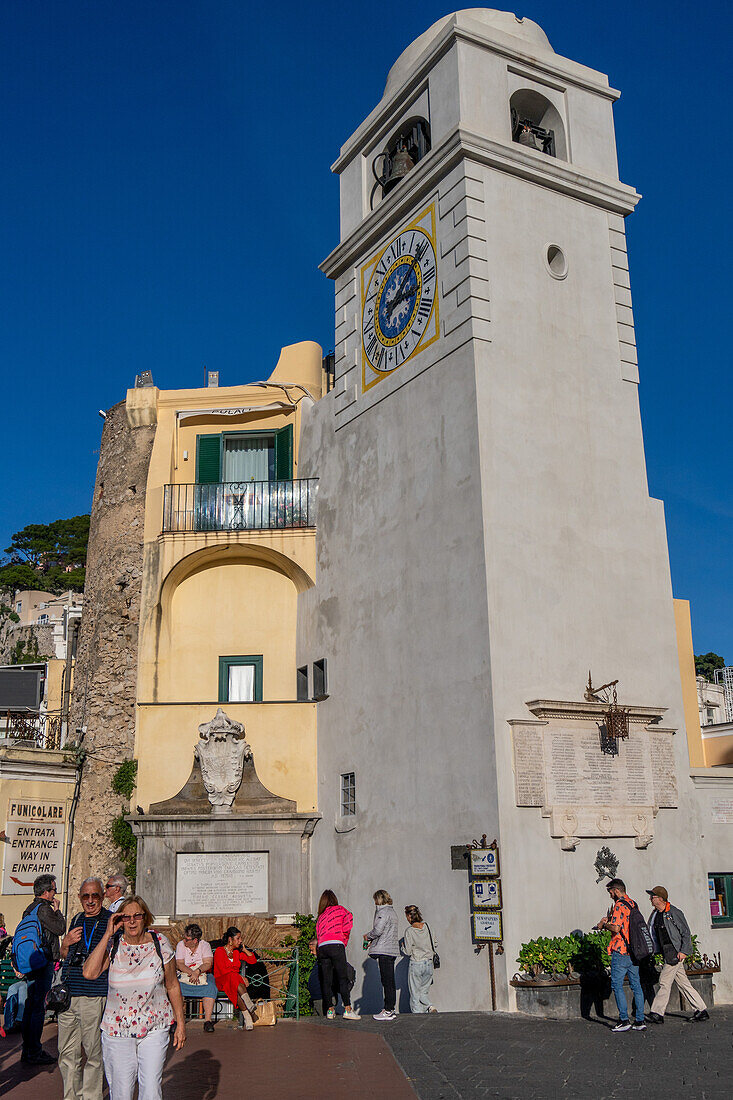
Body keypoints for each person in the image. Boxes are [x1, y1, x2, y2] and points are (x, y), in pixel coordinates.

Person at [83, 894, 185, 1100]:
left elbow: (173, 985)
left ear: (145, 918)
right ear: (119, 920)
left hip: (155, 1027)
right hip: (117, 1030)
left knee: (151, 1088)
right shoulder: (113, 946)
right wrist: (107, 934)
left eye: (137, 916)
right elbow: (89, 973)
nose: (131, 921)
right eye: (125, 917)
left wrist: (181, 1024)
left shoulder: (160, 943)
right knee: (121, 1090)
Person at [58, 877, 109, 1100]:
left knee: (93, 1054)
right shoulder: (77, 919)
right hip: (68, 996)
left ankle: (91, 1097)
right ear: (79, 898)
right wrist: (65, 944)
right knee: (67, 1054)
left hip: (93, 994)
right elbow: (64, 956)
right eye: (85, 896)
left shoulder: (109, 921)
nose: (90, 901)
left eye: (94, 895)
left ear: (102, 896)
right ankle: (71, 1097)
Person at [20, 872, 66, 1065]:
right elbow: (60, 929)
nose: (55, 894)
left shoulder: (29, 908)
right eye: (54, 890)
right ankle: (34, 1051)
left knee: (31, 1005)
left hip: (31, 961)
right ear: (46, 892)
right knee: (38, 1006)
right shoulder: (45, 909)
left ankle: (27, 1049)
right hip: (43, 961)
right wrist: (58, 910)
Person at [645, 886, 709, 1024]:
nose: (650, 899)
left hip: (675, 952)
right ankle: (701, 1010)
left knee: (664, 981)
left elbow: (685, 932)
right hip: (667, 952)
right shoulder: (656, 914)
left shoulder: (674, 912)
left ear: (660, 899)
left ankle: (657, 1013)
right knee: (683, 983)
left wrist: (684, 951)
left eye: (653, 896)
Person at [595, 877, 646, 1032]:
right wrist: (609, 919)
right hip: (634, 951)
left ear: (616, 890)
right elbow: (626, 924)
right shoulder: (632, 903)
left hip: (621, 950)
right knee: (636, 985)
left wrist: (604, 924)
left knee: (617, 985)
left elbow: (617, 928)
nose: (610, 895)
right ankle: (640, 1020)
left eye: (611, 892)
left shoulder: (618, 905)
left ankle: (624, 1020)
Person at [315, 890, 359, 1020]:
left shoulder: (321, 916)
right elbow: (348, 923)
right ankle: (348, 1008)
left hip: (322, 947)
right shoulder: (340, 910)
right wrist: (343, 941)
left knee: (326, 980)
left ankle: (329, 1010)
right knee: (342, 977)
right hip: (336, 944)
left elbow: (318, 934)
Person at [175, 923, 217, 1032]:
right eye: (184, 938)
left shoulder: (205, 945)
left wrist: (197, 971)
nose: (184, 941)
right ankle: (178, 1021)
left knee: (211, 987)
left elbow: (208, 963)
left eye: (187, 939)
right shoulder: (181, 945)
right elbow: (179, 963)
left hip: (202, 973)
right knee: (176, 988)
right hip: (185, 973)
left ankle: (207, 1021)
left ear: (195, 940)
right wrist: (191, 972)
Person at [364, 889, 399, 1021]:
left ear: (378, 899)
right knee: (390, 981)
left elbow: (378, 930)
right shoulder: (392, 912)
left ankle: (388, 1009)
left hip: (384, 951)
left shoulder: (383, 912)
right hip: (391, 950)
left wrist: (368, 936)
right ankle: (390, 1008)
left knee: (386, 981)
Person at [212, 927, 256, 1030]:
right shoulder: (219, 951)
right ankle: (250, 1007)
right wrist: (240, 976)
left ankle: (247, 1017)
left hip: (233, 983)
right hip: (221, 981)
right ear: (230, 940)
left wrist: (245, 950)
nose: (240, 941)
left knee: (235, 987)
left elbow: (253, 960)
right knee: (233, 977)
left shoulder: (237, 952)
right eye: (238, 938)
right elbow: (223, 971)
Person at [403, 905, 438, 1014]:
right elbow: (435, 943)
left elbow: (407, 951)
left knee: (415, 994)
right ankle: (430, 1007)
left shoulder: (409, 931)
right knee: (424, 992)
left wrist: (402, 946)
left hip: (416, 963)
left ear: (409, 916)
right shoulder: (428, 926)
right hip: (429, 963)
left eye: (406, 917)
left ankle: (417, 1018)